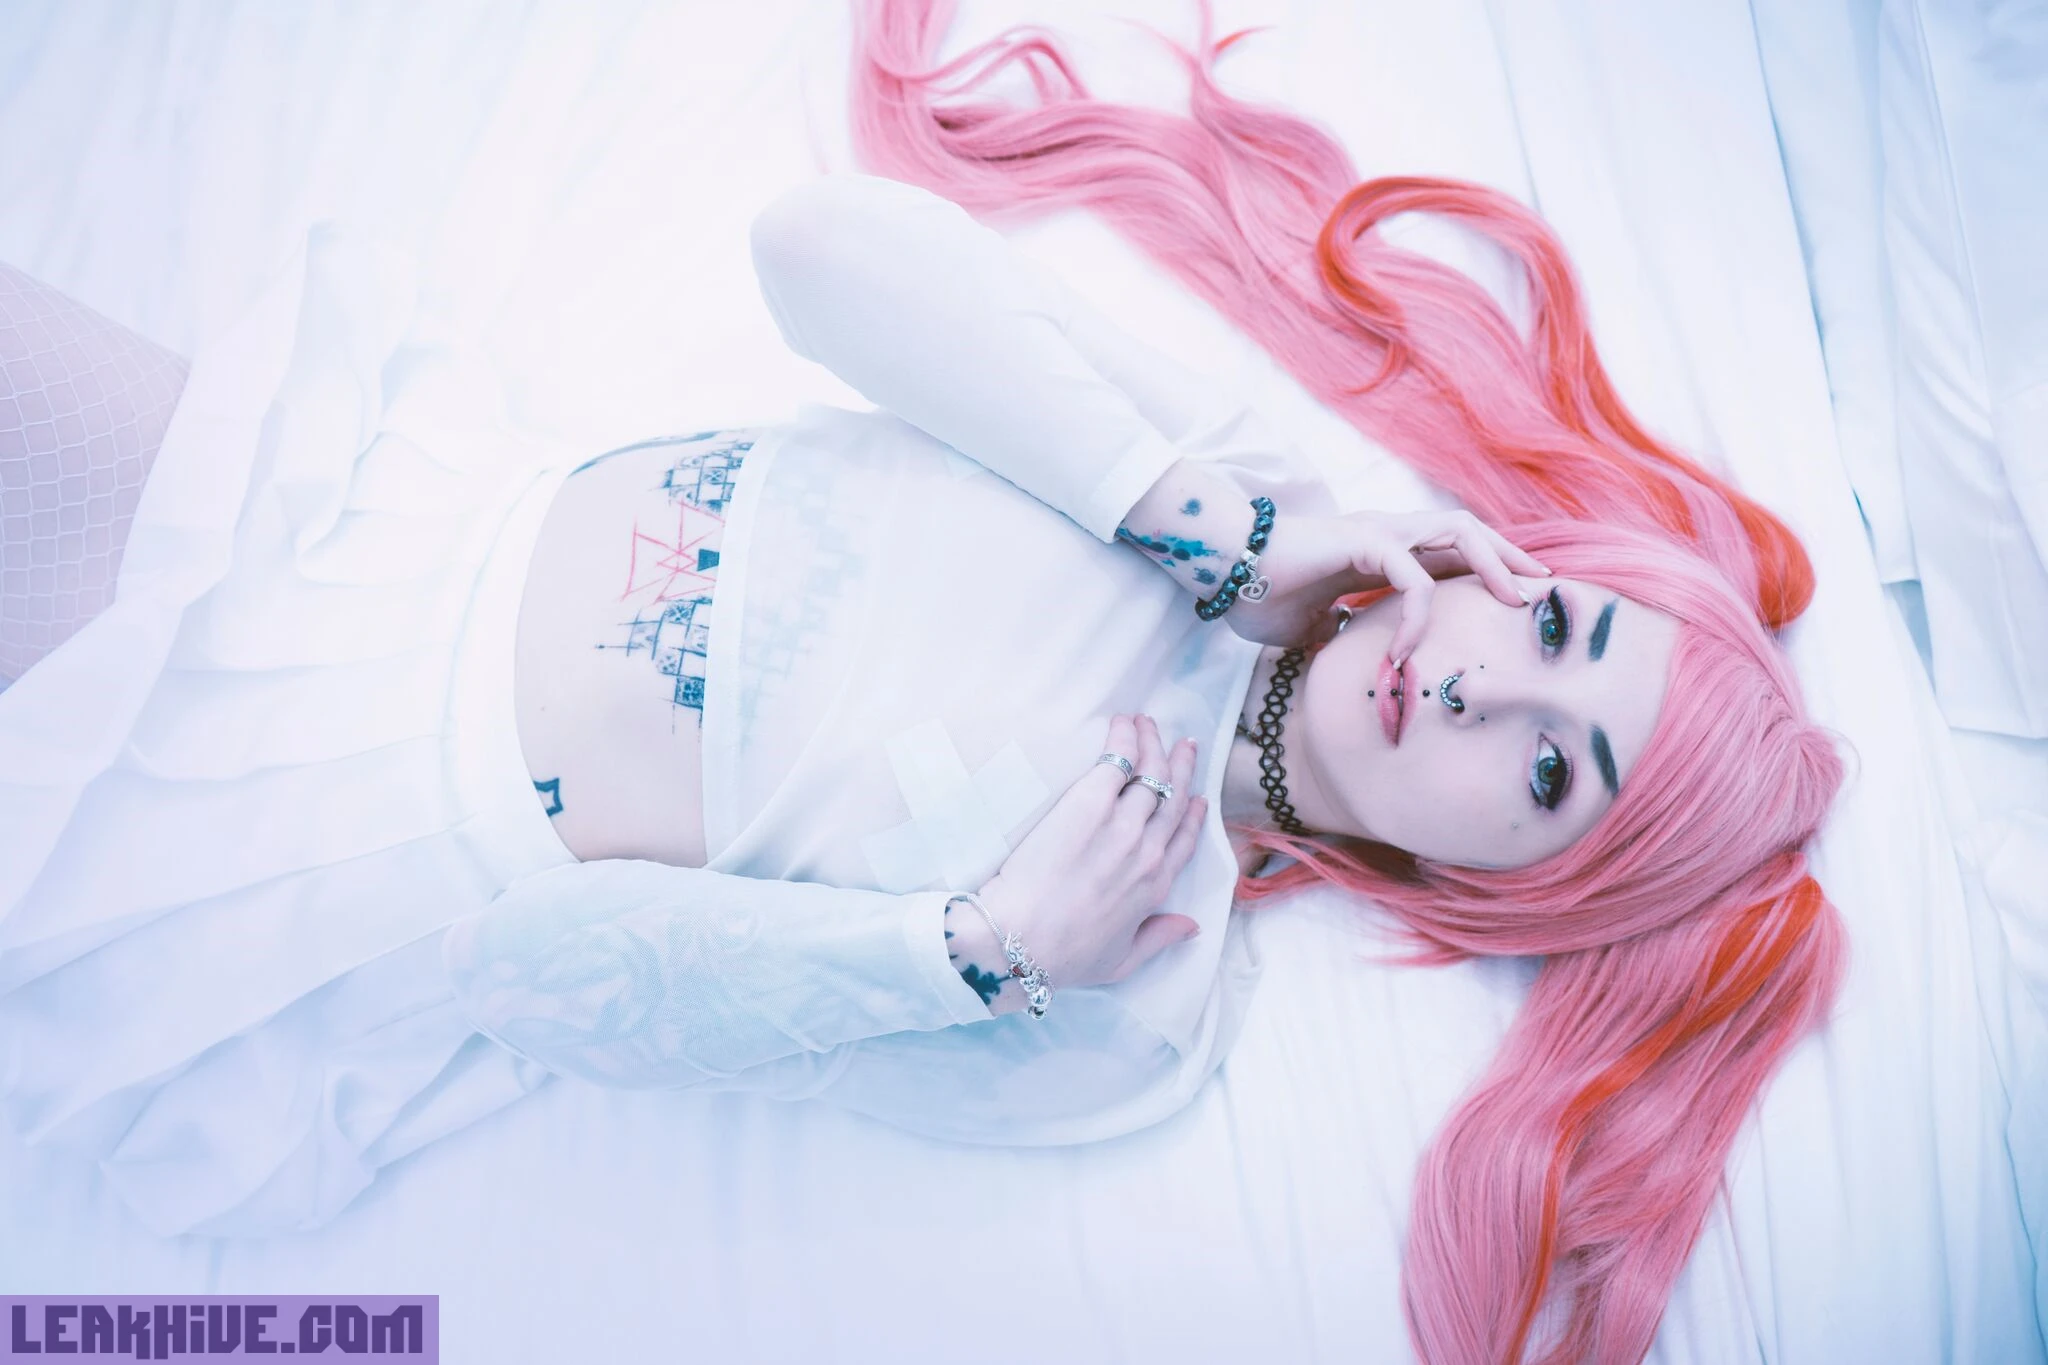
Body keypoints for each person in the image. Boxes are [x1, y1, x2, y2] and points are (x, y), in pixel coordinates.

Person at [0, 4, 1845, 1361]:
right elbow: (817, 250)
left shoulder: (1134, 996)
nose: (1482, 698)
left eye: (1552, 776)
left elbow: (533, 985)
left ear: (1514, 891)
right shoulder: (1224, 481)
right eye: (1552, 633)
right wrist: (1207, 532)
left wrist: (970, 951)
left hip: (318, 825)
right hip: (342, 527)